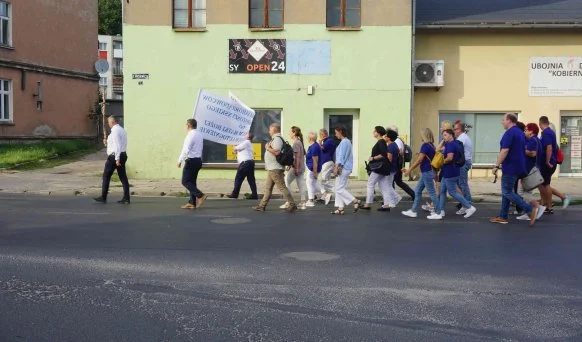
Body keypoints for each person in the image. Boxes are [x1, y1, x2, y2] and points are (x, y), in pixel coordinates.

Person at [489, 113, 542, 225]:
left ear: (509, 120)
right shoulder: (520, 132)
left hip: (511, 167)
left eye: (503, 120)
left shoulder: (510, 133)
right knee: (506, 192)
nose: (502, 122)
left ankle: (530, 210)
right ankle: (503, 216)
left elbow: (504, 151)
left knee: (507, 191)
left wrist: (496, 165)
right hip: (519, 167)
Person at [253, 123, 297, 212]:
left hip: (275, 168)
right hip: (272, 168)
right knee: (268, 188)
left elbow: (277, 152)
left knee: (282, 187)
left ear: (274, 130)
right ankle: (262, 206)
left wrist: (267, 148)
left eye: (270, 129)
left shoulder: (277, 139)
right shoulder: (276, 139)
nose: (269, 131)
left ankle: (292, 204)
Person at [401, 128, 443, 220]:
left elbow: (419, 160)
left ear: (424, 135)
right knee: (418, 191)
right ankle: (413, 211)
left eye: (421, 134)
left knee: (431, 193)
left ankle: (438, 212)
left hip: (427, 172)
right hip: (429, 172)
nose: (420, 136)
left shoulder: (425, 146)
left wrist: (409, 170)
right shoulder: (432, 146)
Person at [439, 129, 477, 218]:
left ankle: (469, 207)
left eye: (445, 135)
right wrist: (442, 142)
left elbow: (449, 158)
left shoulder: (451, 145)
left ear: (451, 135)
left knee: (452, 192)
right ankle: (440, 211)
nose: (443, 137)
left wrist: (440, 162)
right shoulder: (449, 144)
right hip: (447, 171)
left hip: (450, 171)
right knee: (442, 191)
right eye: (443, 135)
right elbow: (437, 150)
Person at [94, 115, 130, 204]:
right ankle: (126, 197)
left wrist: (117, 159)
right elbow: (117, 144)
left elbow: (117, 146)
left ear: (113, 122)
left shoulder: (115, 131)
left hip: (115, 157)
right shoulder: (121, 130)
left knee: (106, 176)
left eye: (109, 122)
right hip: (122, 155)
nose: (108, 124)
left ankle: (103, 196)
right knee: (123, 177)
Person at [538, 116, 571, 214]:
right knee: (542, 184)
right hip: (548, 163)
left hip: (548, 163)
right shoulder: (549, 132)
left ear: (540, 124)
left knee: (545, 184)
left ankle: (548, 206)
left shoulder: (547, 133)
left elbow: (549, 148)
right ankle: (548, 203)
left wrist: (548, 161)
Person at [514, 123, 546, 221]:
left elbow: (532, 154)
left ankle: (537, 207)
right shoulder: (536, 140)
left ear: (531, 131)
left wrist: (521, 150)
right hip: (531, 170)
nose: (525, 132)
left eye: (526, 130)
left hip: (529, 170)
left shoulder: (533, 140)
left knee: (522, 192)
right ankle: (528, 213)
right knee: (527, 191)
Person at [177, 118, 207, 209]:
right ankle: (192, 202)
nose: (185, 126)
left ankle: (200, 195)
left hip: (191, 161)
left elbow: (186, 149)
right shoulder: (199, 134)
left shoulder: (190, 135)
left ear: (189, 125)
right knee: (192, 183)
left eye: (186, 124)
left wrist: (179, 160)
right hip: (198, 160)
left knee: (185, 181)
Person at [360, 126, 392, 212]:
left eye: (374, 131)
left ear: (378, 132)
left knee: (370, 184)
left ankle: (368, 204)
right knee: (383, 186)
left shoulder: (381, 142)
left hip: (379, 168)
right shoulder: (382, 142)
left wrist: (372, 158)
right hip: (383, 167)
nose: (373, 132)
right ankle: (386, 205)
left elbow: (383, 154)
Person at [331, 126, 360, 215]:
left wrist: (337, 167)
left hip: (343, 168)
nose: (335, 134)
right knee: (339, 187)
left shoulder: (345, 142)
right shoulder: (345, 142)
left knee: (339, 188)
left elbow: (342, 157)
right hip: (344, 167)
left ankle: (355, 201)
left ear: (340, 131)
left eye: (336, 132)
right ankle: (340, 208)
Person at [280, 126, 307, 210]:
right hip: (300, 166)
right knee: (301, 183)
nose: (289, 134)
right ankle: (303, 203)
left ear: (294, 133)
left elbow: (297, 157)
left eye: (290, 132)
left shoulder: (296, 143)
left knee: (286, 181)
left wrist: (295, 168)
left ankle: (289, 201)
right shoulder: (299, 142)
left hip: (297, 166)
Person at [387, 125, 415, 201]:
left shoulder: (397, 141)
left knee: (393, 181)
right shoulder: (397, 140)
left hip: (396, 165)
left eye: (389, 130)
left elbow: (400, 152)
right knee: (397, 182)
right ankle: (413, 194)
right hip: (397, 165)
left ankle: (392, 199)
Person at [227, 133, 258, 200]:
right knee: (251, 179)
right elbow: (237, 150)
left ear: (248, 137)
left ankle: (235, 194)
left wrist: (234, 144)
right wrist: (236, 148)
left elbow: (236, 148)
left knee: (238, 178)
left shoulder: (246, 142)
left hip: (245, 163)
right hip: (250, 162)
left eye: (246, 134)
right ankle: (254, 194)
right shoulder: (248, 143)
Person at [453, 121, 473, 214]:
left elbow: (455, 150)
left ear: (460, 130)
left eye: (455, 129)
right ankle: (464, 204)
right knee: (460, 184)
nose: (454, 131)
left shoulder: (462, 138)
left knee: (463, 184)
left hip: (463, 163)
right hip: (463, 162)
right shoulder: (462, 137)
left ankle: (467, 205)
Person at [382, 129, 403, 208]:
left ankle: (396, 198)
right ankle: (392, 201)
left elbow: (389, 159)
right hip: (394, 168)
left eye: (386, 136)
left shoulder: (390, 147)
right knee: (389, 185)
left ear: (389, 138)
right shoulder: (394, 145)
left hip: (390, 169)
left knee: (387, 185)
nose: (385, 137)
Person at [305, 132, 323, 207]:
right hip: (312, 168)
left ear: (310, 138)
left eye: (307, 137)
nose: (307, 138)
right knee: (313, 183)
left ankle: (311, 200)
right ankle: (313, 198)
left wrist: (315, 171)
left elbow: (315, 160)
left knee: (309, 183)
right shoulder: (313, 146)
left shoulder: (314, 147)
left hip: (312, 168)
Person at [318, 129, 336, 205]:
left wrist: (319, 142)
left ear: (323, 134)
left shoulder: (329, 141)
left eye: (320, 135)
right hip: (326, 162)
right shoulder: (327, 141)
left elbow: (322, 148)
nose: (320, 136)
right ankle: (324, 197)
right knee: (325, 179)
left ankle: (338, 190)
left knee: (323, 180)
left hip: (327, 162)